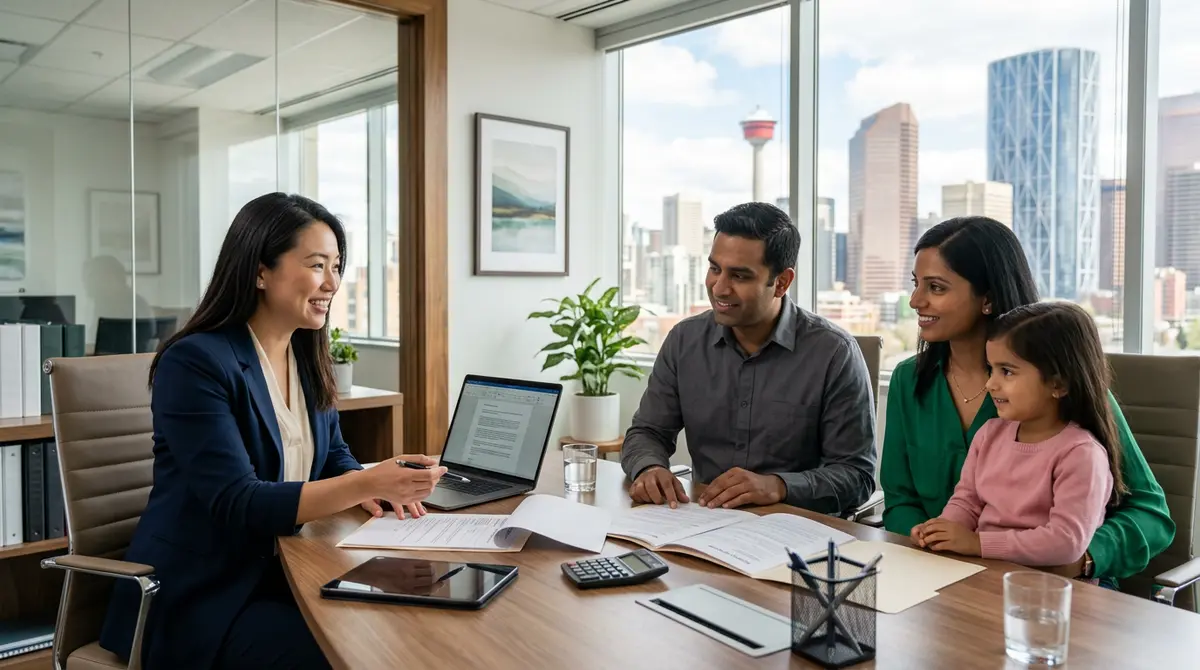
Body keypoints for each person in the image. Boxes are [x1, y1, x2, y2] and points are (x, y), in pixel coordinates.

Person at [98, 193, 447, 670]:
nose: (332, 282)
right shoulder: (196, 362)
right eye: (317, 265)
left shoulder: (305, 355)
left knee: (409, 625)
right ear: (261, 271)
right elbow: (236, 501)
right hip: (203, 597)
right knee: (349, 654)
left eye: (337, 266)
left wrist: (382, 491)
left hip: (283, 571)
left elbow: (334, 454)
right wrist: (365, 482)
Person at [882, 216, 1173, 584]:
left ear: (987, 298)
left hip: (1059, 588)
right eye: (916, 284)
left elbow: (1151, 513)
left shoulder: (1058, 389)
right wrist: (934, 542)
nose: (915, 301)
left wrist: (1084, 557)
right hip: (941, 579)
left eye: (936, 288)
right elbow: (900, 500)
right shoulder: (909, 380)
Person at [620, 202, 876, 515]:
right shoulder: (683, 341)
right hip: (704, 524)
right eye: (715, 269)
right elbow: (647, 432)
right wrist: (649, 469)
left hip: (797, 532)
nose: (719, 288)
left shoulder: (835, 354)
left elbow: (856, 476)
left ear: (781, 282)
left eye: (739, 276)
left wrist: (777, 486)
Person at [912, 302, 1121, 571]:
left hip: (1053, 592)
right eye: (991, 369)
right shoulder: (989, 434)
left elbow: (1066, 542)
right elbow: (967, 501)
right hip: (986, 574)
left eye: (1007, 371)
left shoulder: (1081, 454)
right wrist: (942, 530)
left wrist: (978, 544)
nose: (991, 384)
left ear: (1058, 384)